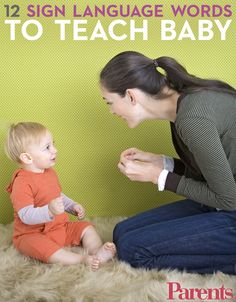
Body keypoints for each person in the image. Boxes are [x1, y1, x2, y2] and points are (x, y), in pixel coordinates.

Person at [100, 51, 236, 275]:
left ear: (131, 96)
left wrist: (157, 176)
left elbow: (228, 199)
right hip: (223, 199)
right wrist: (163, 163)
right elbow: (216, 173)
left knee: (132, 250)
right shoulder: (184, 103)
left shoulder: (192, 119)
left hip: (229, 205)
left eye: (110, 102)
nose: (111, 111)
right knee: (122, 232)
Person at [5, 122, 116, 270]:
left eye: (53, 144)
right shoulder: (21, 182)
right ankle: (82, 259)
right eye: (47, 147)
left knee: (86, 227)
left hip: (59, 227)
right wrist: (49, 211)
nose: (55, 150)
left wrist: (72, 206)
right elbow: (26, 215)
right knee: (45, 249)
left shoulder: (49, 172)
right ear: (27, 158)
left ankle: (96, 253)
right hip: (32, 234)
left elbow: (57, 195)